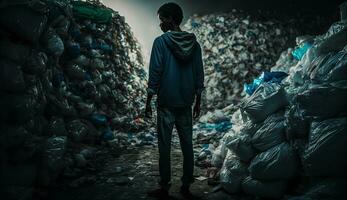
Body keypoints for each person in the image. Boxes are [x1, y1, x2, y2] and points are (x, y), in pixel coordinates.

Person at [145, 2, 204, 199]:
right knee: (187, 145)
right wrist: (198, 101)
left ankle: (164, 187)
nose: (160, 24)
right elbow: (198, 74)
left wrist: (148, 101)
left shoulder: (161, 42)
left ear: (170, 19)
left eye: (162, 19)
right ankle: (186, 186)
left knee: (164, 146)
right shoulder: (194, 45)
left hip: (166, 103)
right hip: (185, 103)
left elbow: (155, 71)